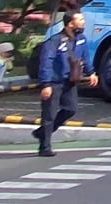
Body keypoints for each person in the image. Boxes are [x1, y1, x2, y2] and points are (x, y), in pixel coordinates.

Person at [35, 10, 99, 157]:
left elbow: (85, 57)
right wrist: (46, 84)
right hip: (54, 82)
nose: (83, 22)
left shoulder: (81, 39)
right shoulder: (54, 41)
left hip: (70, 82)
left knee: (71, 109)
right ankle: (45, 147)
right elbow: (46, 62)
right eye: (80, 19)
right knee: (49, 115)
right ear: (70, 23)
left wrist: (91, 72)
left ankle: (41, 133)